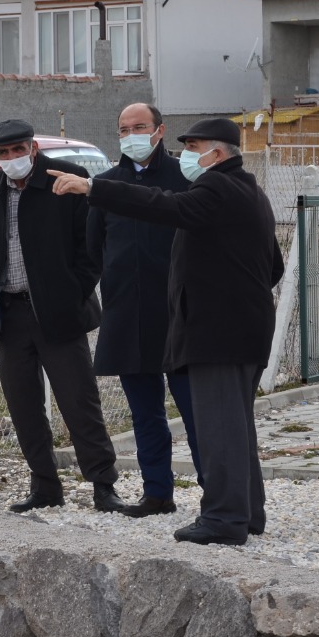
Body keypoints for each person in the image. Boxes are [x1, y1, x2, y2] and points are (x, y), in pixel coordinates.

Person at [49, 117, 283, 546]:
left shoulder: (215, 188)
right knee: (236, 425)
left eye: (194, 146)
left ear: (218, 152)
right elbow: (274, 267)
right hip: (243, 327)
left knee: (219, 426)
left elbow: (164, 205)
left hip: (219, 332)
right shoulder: (249, 190)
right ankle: (247, 512)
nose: (187, 155)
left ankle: (224, 518)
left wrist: (93, 188)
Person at [0, 119, 128, 514]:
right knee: (23, 406)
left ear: (33, 148)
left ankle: (103, 485)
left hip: (59, 315)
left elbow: (90, 244)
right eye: (3, 154)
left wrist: (73, 291)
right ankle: (44, 485)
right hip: (10, 315)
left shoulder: (65, 180)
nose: (11, 159)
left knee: (79, 402)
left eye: (17, 150)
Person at [86, 103, 202, 517]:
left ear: (159, 131)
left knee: (195, 411)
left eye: (139, 127)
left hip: (179, 315)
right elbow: (93, 251)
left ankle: (217, 494)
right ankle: (157, 492)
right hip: (128, 315)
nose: (130, 134)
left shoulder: (185, 179)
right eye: (123, 129)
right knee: (145, 414)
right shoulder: (105, 185)